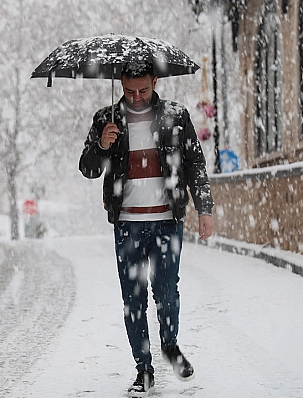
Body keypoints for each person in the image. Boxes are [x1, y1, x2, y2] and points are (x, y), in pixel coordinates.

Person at [79, 61, 214, 397]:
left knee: (167, 292)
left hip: (168, 221)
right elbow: (88, 168)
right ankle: (144, 370)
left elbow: (195, 162)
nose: (136, 97)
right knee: (133, 299)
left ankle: (170, 344)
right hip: (127, 224)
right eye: (129, 91)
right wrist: (102, 146)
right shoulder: (105, 120)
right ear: (120, 85)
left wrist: (205, 208)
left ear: (155, 81)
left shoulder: (176, 115)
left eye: (143, 89)